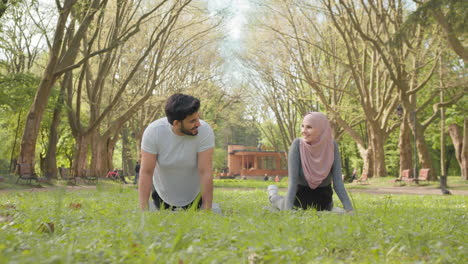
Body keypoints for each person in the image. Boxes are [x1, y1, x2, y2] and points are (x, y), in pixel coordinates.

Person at [138, 93, 215, 211]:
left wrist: (207, 209)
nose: (198, 124)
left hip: (194, 196)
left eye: (198, 118)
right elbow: (146, 172)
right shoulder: (153, 132)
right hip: (162, 196)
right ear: (176, 123)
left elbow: (205, 171)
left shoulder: (204, 131)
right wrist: (143, 211)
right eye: (192, 121)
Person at [267, 112, 353, 213]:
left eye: (309, 127)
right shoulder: (297, 145)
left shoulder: (332, 146)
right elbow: (293, 182)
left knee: (336, 213)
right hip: (298, 201)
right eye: (302, 126)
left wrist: (349, 209)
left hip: (324, 203)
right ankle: (272, 194)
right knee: (279, 202)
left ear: (321, 129)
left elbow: (338, 183)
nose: (303, 131)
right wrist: (287, 210)